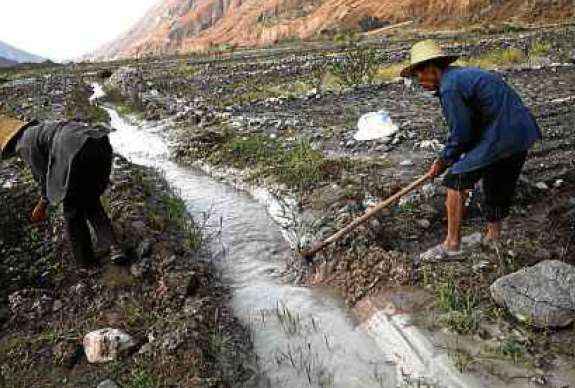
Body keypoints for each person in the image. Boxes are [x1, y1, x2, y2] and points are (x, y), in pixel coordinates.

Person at [400, 40, 542, 261]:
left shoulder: (450, 87)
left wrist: (444, 161)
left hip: (501, 134)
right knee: (496, 180)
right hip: (520, 133)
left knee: (455, 180)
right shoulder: (460, 76)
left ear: (430, 68)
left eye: (418, 76)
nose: (419, 82)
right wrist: (462, 154)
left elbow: (461, 133)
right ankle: (494, 238)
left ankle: (452, 244)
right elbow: (475, 122)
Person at [0, 115, 126, 266]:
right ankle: (114, 247)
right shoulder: (40, 129)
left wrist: (42, 205)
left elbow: (43, 177)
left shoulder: (24, 145)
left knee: (72, 211)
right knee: (90, 201)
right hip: (96, 142)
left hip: (74, 151)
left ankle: (85, 262)